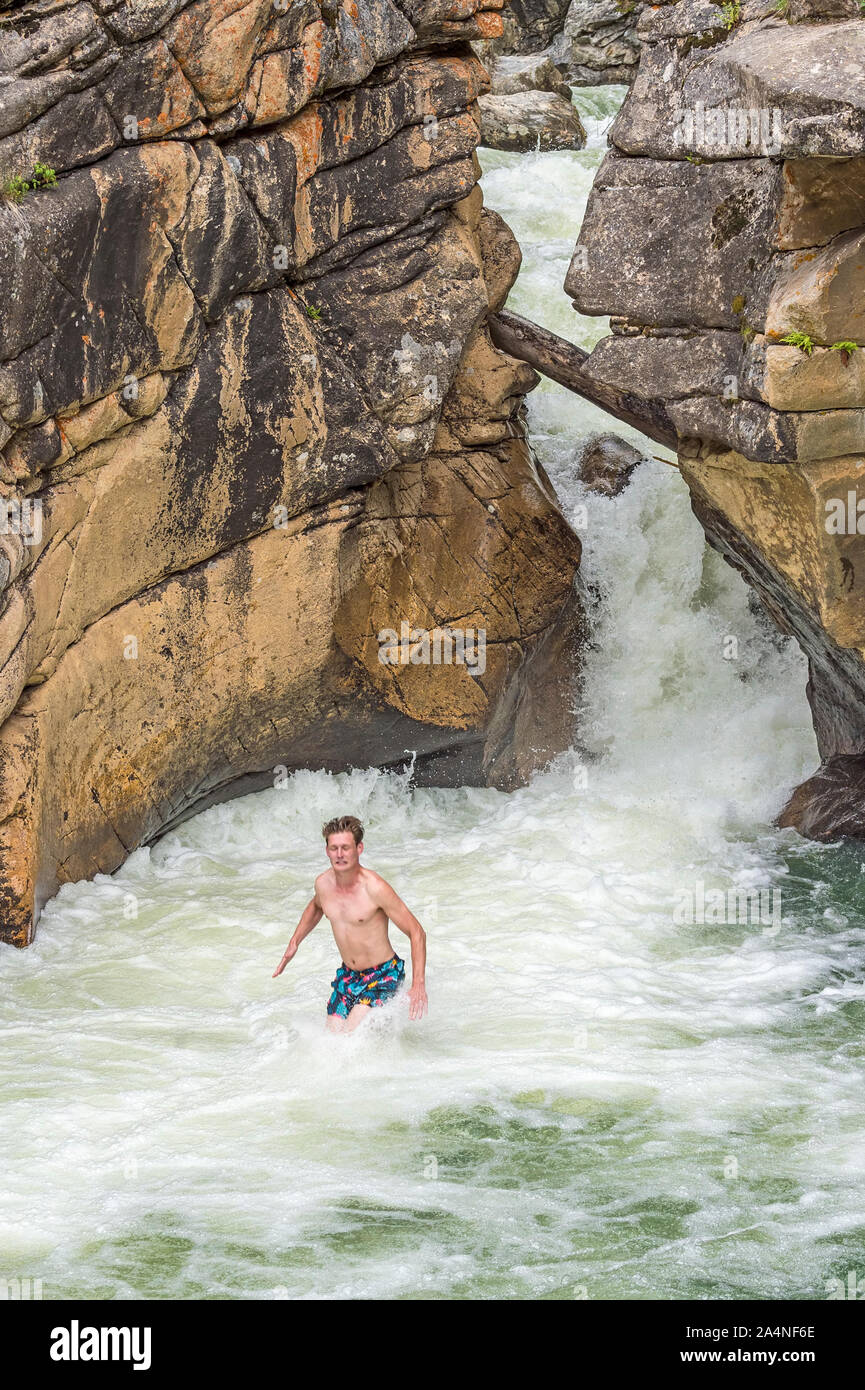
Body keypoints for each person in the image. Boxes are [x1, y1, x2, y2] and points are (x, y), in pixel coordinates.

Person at [273, 815, 428, 1033]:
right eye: (334, 848)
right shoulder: (323, 884)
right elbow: (316, 907)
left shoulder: (374, 888)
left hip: (383, 975)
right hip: (348, 976)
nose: (339, 854)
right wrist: (294, 942)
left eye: (345, 848)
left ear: (359, 848)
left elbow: (417, 932)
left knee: (350, 1037)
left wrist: (418, 983)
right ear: (327, 850)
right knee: (331, 1039)